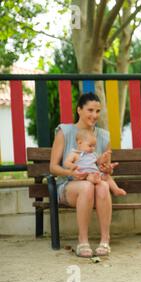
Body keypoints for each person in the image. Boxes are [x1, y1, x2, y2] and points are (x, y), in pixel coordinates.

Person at [50, 92, 119, 258]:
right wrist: (71, 173)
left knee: (102, 186)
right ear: (79, 110)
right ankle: (83, 240)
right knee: (87, 187)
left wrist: (107, 169)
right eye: (90, 110)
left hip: (95, 184)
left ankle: (105, 240)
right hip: (69, 186)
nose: (94, 115)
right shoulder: (64, 132)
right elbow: (53, 167)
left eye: (97, 111)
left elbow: (103, 168)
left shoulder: (103, 136)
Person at [63, 128, 126, 196]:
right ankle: (96, 181)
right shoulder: (75, 154)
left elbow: (99, 162)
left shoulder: (93, 154)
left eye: (94, 146)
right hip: (83, 175)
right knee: (91, 177)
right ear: (79, 143)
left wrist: (104, 157)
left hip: (95, 173)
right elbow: (66, 163)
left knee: (106, 176)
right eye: (90, 146)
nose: (92, 148)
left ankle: (116, 190)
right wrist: (72, 166)